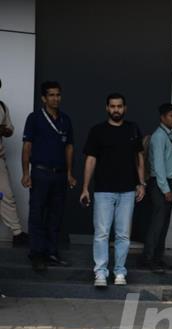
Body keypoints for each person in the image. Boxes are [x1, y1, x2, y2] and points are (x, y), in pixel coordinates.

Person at [80, 93, 145, 288]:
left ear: (124, 108)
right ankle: (100, 272)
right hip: (103, 190)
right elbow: (90, 159)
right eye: (112, 106)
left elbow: (139, 157)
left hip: (127, 191)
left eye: (119, 106)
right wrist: (85, 188)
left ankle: (119, 272)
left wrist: (141, 183)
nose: (116, 109)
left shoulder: (133, 129)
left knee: (123, 234)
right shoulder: (97, 131)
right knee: (101, 233)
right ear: (107, 108)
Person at [20, 81, 76, 272]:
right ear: (44, 98)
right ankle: (36, 254)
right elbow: (27, 146)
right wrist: (26, 173)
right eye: (51, 95)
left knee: (56, 214)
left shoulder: (65, 119)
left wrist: (69, 173)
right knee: (37, 214)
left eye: (58, 94)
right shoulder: (34, 118)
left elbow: (69, 147)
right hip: (40, 172)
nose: (55, 98)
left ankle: (51, 252)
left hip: (59, 175)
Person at [142, 103, 172, 273]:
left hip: (167, 183)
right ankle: (148, 258)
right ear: (162, 118)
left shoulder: (167, 135)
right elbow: (158, 166)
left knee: (163, 224)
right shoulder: (159, 136)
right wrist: (166, 189)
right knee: (157, 223)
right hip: (159, 184)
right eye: (171, 116)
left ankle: (158, 257)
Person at [0, 78, 30, 247]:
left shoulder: (2, 106)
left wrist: (4, 130)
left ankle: (18, 233)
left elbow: (9, 130)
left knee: (6, 195)